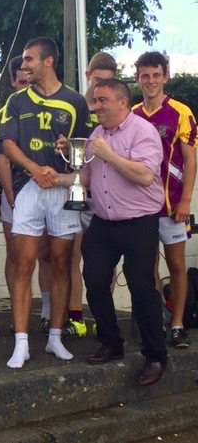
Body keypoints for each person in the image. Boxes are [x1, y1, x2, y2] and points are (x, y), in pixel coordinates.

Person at [0, 37, 92, 368]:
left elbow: (84, 151)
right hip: (29, 188)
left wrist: (68, 151)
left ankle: (55, 338)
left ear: (48, 61)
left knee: (62, 261)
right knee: (24, 262)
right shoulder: (15, 102)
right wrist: (34, 168)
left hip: (62, 189)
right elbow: (7, 144)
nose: (24, 65)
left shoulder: (74, 102)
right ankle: (21, 342)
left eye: (29, 59)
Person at [73, 78, 168, 386]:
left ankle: (155, 356)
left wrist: (109, 155)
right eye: (94, 101)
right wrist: (59, 173)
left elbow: (143, 175)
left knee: (142, 287)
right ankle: (111, 342)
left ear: (122, 102)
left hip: (139, 221)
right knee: (95, 280)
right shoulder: (96, 135)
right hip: (104, 222)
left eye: (101, 101)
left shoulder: (143, 132)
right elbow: (85, 177)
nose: (95, 106)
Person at [133, 51, 198, 349]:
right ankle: (157, 319)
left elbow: (190, 160)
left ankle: (178, 323)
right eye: (145, 76)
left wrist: (186, 200)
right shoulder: (131, 113)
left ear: (165, 77)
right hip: (141, 207)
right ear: (137, 79)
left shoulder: (181, 112)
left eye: (156, 75)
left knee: (176, 264)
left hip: (172, 207)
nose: (150, 81)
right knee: (148, 267)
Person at [0, 56, 51, 335]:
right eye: (20, 81)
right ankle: (14, 311)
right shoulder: (8, 109)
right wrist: (8, 192)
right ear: (13, 81)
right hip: (15, 191)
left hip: (44, 189)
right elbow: (2, 155)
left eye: (28, 79)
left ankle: (47, 310)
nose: (24, 84)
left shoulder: (45, 106)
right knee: (15, 252)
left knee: (46, 252)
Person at [63, 52, 117, 338]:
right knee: (73, 256)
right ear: (88, 76)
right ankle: (75, 317)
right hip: (77, 191)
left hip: (104, 198)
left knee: (104, 263)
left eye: (106, 82)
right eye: (97, 80)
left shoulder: (112, 111)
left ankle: (102, 318)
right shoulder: (74, 105)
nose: (100, 88)